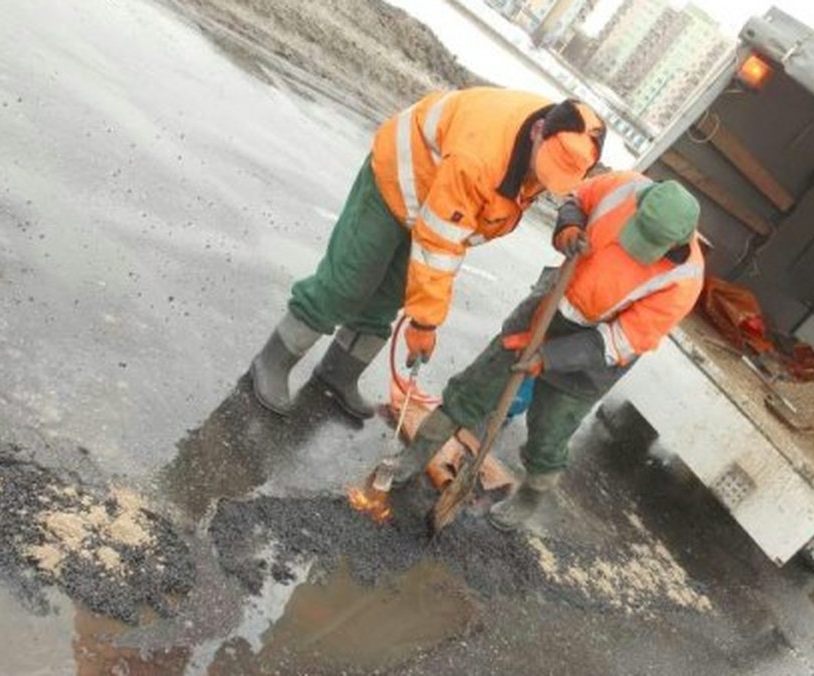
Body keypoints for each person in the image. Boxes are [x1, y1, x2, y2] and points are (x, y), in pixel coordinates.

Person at [249, 88, 605, 419]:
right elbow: (438, 243)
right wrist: (424, 323)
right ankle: (273, 361)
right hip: (399, 179)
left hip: (440, 198)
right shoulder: (479, 157)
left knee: (389, 294)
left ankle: (337, 373)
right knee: (349, 281)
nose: (543, 180)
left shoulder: (559, 140)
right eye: (546, 167)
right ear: (538, 131)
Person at [392, 170, 705, 531]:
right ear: (641, 204)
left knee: (550, 430)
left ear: (677, 242)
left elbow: (620, 340)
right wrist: (568, 227)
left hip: (594, 352)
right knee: (477, 383)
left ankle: (531, 495)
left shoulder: (684, 280)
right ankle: (415, 456)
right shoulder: (626, 187)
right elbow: (578, 198)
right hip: (552, 304)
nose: (636, 247)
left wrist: (549, 358)